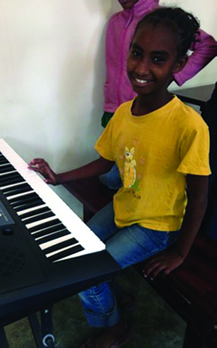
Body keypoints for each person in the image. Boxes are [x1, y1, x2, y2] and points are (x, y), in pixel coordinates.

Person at [29, 7, 210, 348]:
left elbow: (199, 196)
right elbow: (105, 162)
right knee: (75, 252)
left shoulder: (188, 125)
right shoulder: (125, 112)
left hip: (157, 226)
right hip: (124, 205)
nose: (141, 68)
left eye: (157, 59)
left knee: (86, 274)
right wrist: (59, 177)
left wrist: (181, 252)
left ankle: (113, 328)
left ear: (178, 65)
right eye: (137, 53)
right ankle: (115, 300)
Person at [100, 0, 217, 189]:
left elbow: (208, 45)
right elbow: (114, 67)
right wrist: (109, 103)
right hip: (117, 110)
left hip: (147, 115)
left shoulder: (162, 23)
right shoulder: (115, 22)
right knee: (110, 176)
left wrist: (175, 76)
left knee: (124, 177)